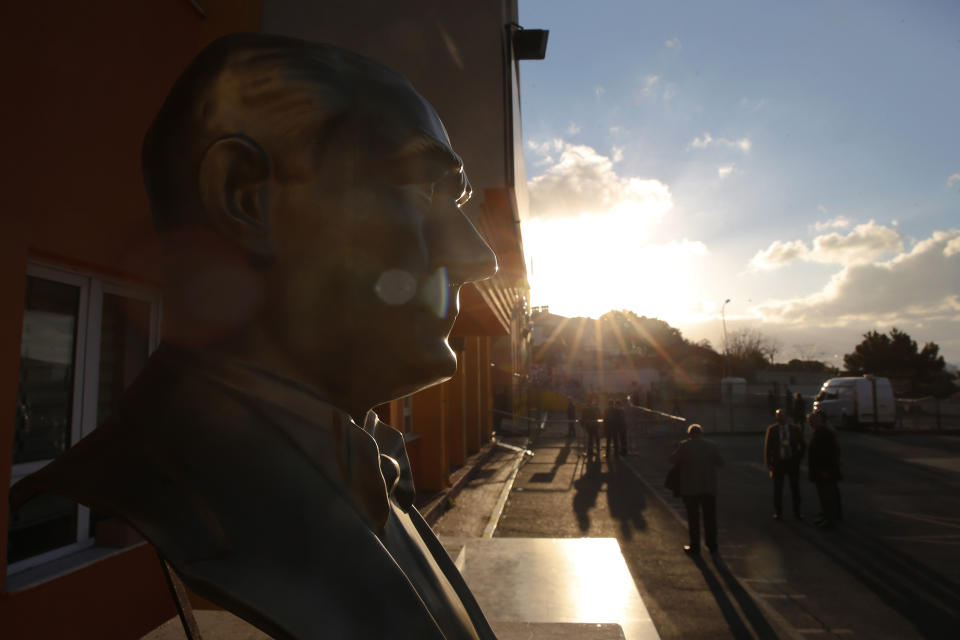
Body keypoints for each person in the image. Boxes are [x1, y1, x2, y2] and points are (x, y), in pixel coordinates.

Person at [11, 34, 497, 640]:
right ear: (246, 197)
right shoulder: (159, 498)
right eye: (422, 187)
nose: (479, 257)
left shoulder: (376, 472)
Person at [669, 424, 724, 555]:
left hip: (690, 488)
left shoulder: (684, 445)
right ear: (701, 433)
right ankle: (712, 545)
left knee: (693, 518)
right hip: (708, 487)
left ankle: (695, 546)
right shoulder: (712, 445)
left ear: (689, 434)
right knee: (710, 517)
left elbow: (672, 460)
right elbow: (721, 462)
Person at [764, 408, 806, 520]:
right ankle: (778, 512)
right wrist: (768, 462)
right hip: (779, 462)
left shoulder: (795, 429)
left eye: (782, 415)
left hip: (792, 462)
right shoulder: (772, 430)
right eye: (778, 416)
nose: (780, 418)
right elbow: (768, 448)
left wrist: (798, 457)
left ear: (786, 417)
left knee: (795, 488)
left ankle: (797, 512)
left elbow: (802, 444)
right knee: (778, 488)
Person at [807, 411, 842, 529]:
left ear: (819, 421)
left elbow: (828, 454)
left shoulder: (824, 434)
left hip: (824, 471)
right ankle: (827, 517)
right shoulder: (821, 432)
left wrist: (825, 470)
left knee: (827, 496)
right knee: (825, 495)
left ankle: (830, 520)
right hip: (822, 470)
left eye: (812, 421)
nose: (810, 424)